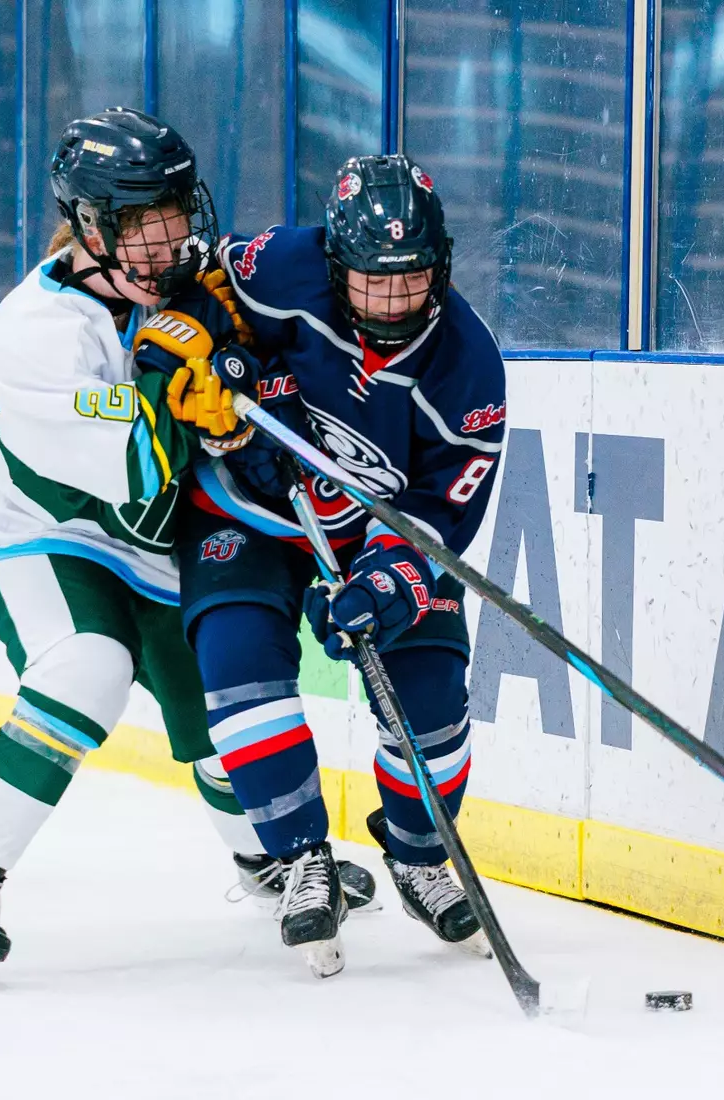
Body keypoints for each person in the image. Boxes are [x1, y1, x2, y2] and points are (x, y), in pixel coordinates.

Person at [0, 109, 374, 990]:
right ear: (88, 226)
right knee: (89, 666)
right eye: (140, 222)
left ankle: (263, 862)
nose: (169, 239)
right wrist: (176, 384)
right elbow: (134, 462)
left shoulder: (195, 284)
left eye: (174, 213)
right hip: (43, 533)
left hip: (151, 540)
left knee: (214, 702)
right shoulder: (36, 332)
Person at [162, 154, 507, 978]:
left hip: (374, 537)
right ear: (333, 263)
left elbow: (440, 511)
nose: (393, 300)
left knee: (430, 708)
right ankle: (298, 858)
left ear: (443, 265)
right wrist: (206, 362)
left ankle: (420, 853)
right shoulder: (284, 263)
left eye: (412, 279)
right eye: (371, 281)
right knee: (239, 671)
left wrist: (387, 583)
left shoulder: (470, 371)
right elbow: (191, 299)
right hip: (250, 508)